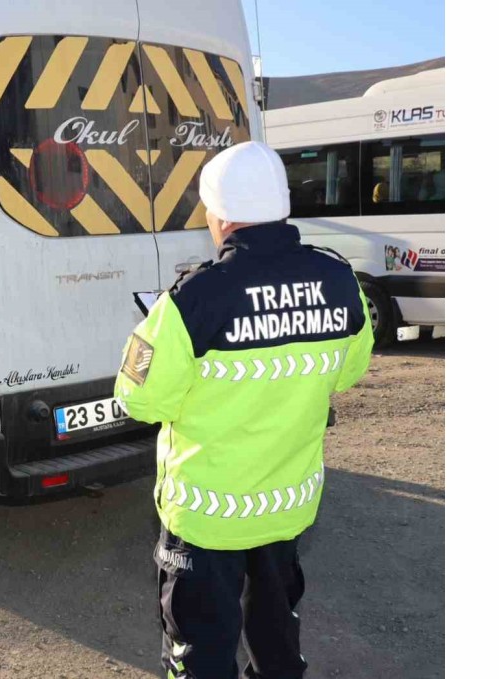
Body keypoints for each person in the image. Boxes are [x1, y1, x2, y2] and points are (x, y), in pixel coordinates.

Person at [113, 141, 373, 679]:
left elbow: (140, 398)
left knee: (201, 651)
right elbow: (348, 371)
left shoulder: (194, 298)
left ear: (221, 217)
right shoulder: (339, 279)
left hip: (206, 517)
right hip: (286, 506)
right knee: (276, 640)